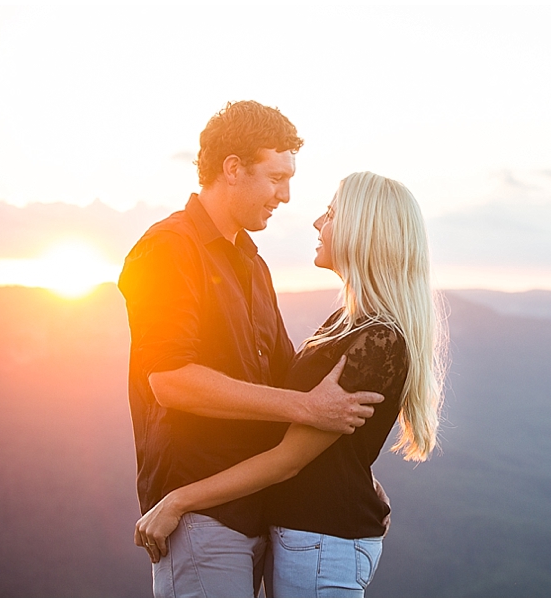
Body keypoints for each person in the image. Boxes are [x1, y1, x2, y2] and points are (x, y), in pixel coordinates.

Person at [135, 171, 447, 597]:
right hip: (312, 540)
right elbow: (324, 444)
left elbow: (289, 459)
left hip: (321, 544)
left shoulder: (377, 340)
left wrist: (178, 500)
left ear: (364, 229)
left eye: (332, 213)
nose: (318, 222)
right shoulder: (348, 324)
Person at [118, 102, 385, 598]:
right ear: (233, 168)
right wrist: (305, 408)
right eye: (276, 178)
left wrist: (348, 476)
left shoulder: (251, 260)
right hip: (200, 511)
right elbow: (170, 380)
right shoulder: (168, 250)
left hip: (262, 506)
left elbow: (285, 374)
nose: (286, 196)